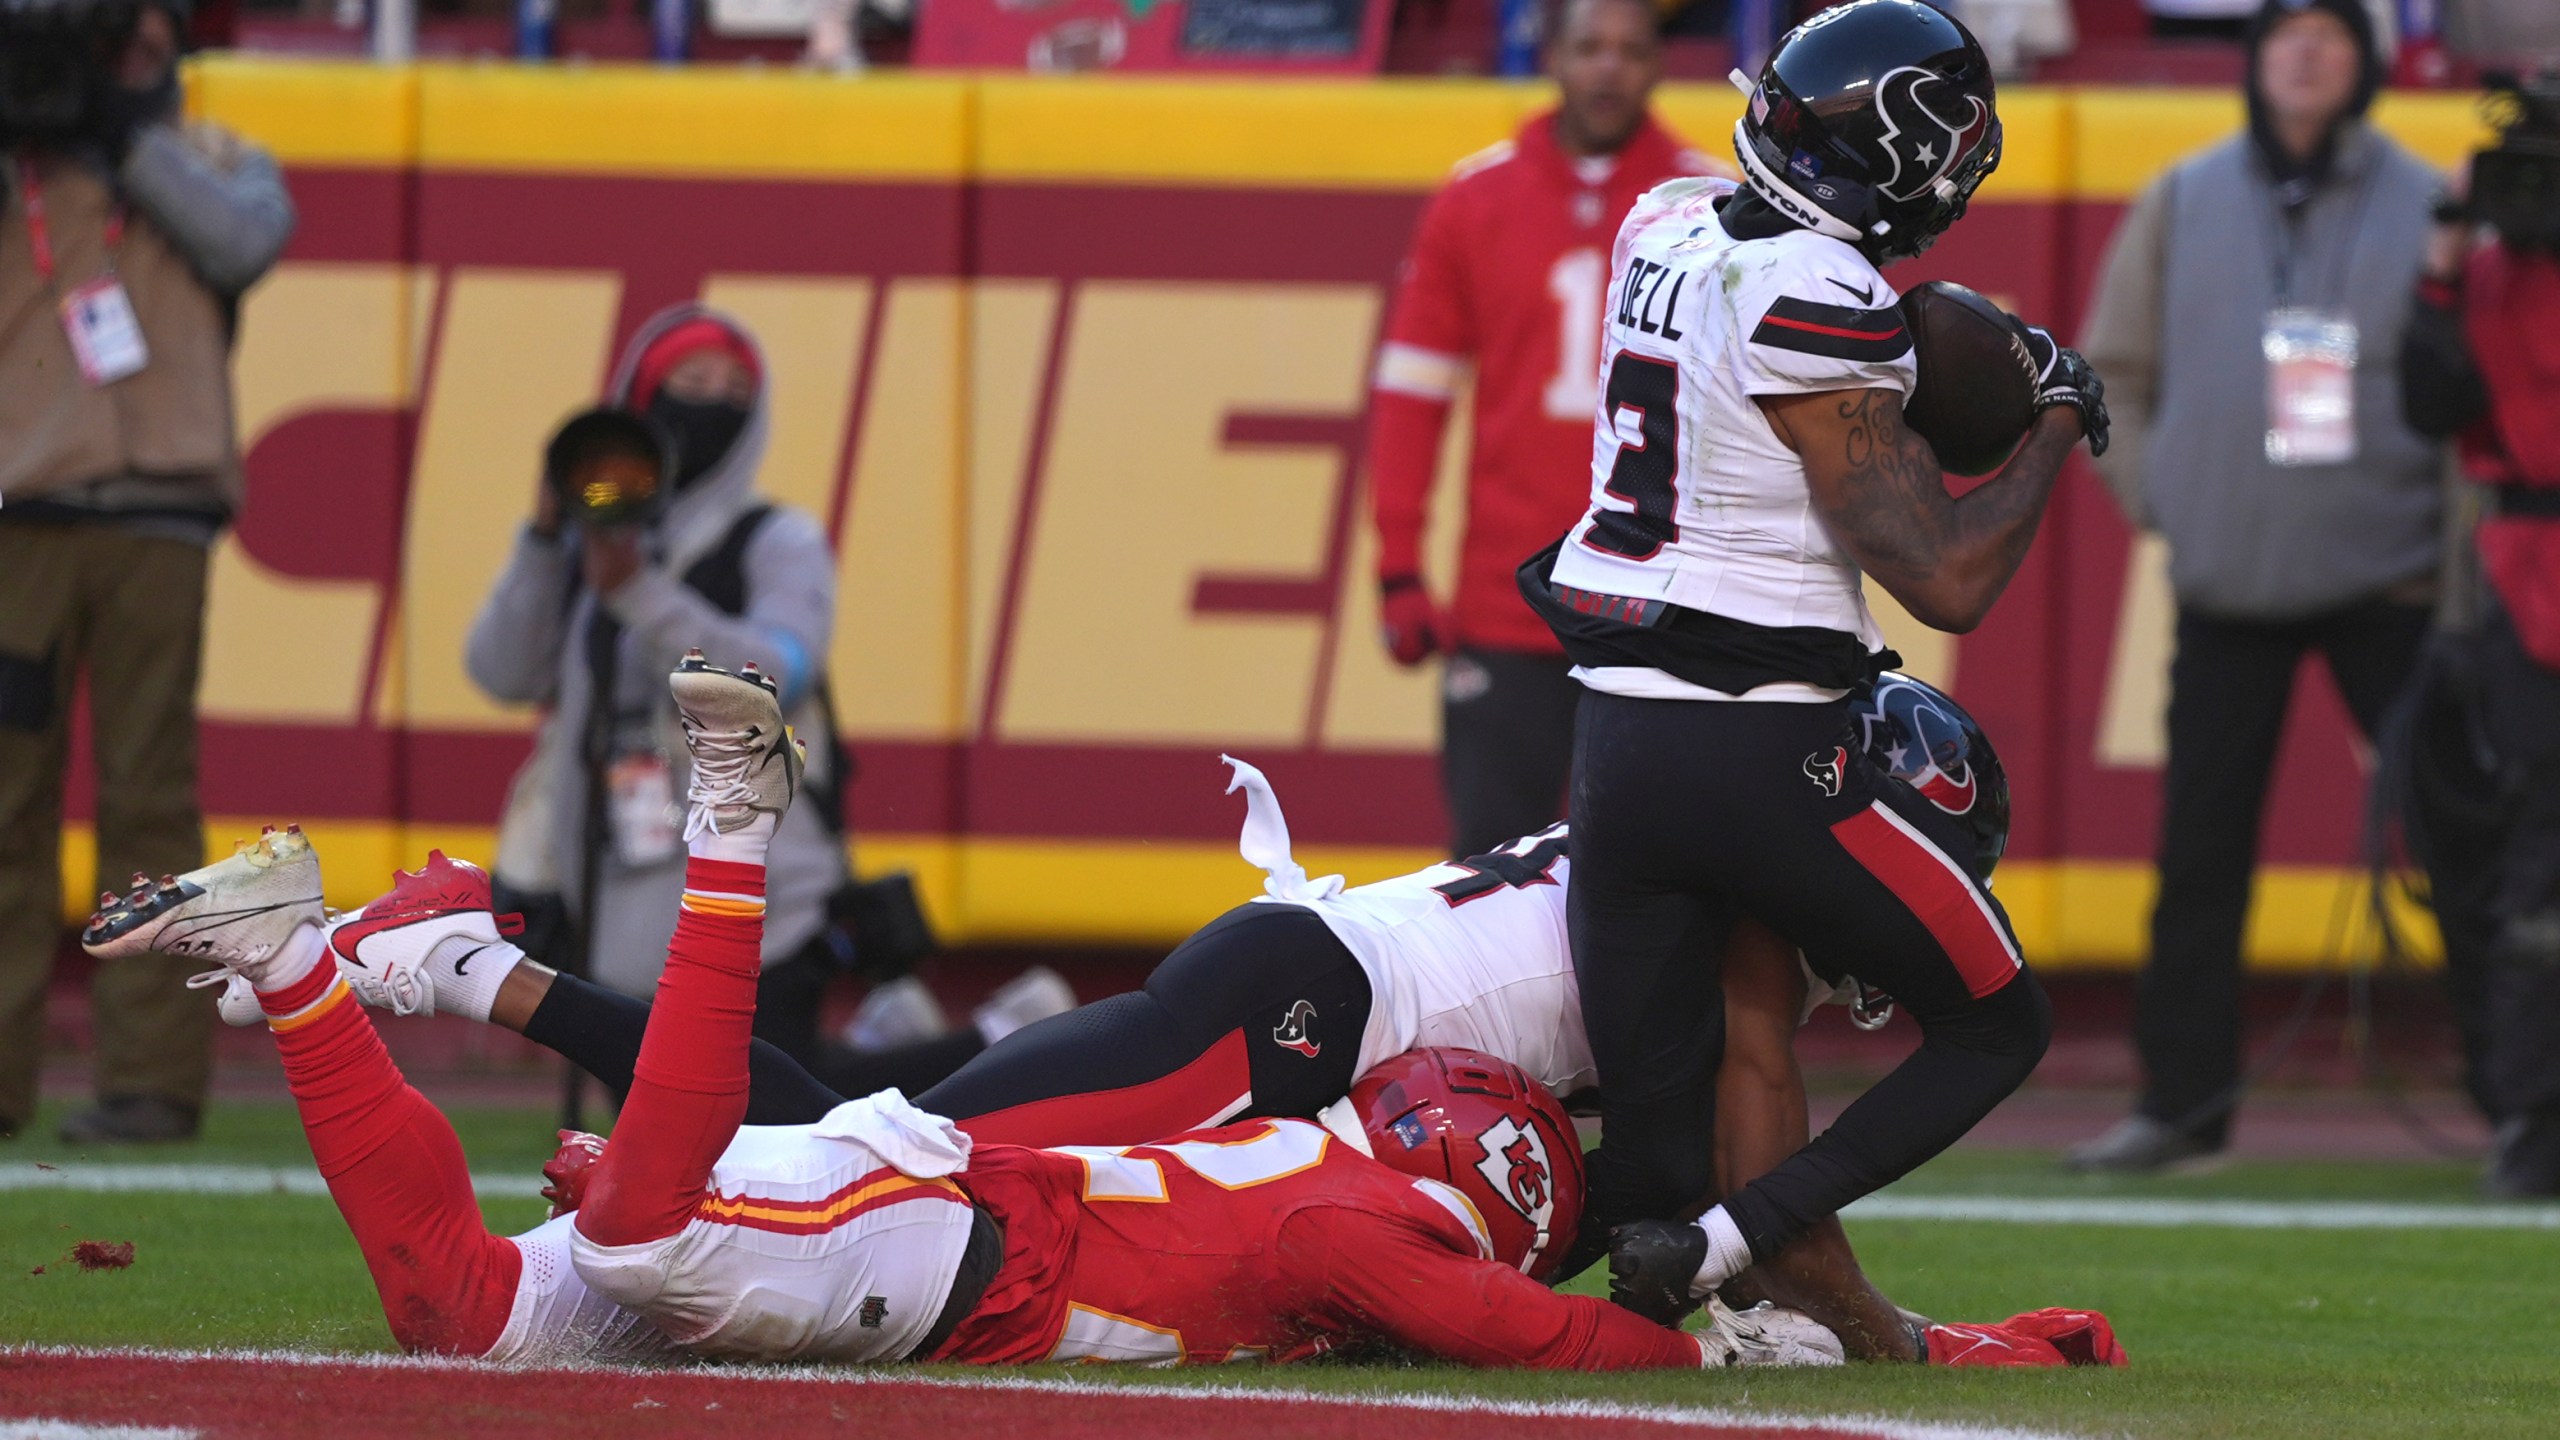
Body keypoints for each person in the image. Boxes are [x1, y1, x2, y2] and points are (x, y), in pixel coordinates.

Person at [251, 672, 2119, 1368]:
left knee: (888, 1138)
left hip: (1316, 1002)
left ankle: (479, 971)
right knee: (902, 1137)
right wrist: (1889, 1336)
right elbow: (1756, 1158)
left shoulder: (1707, 830)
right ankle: (478, 965)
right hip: (1305, 1014)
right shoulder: (1748, 914)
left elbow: (1720, 1178)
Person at [1507, 0, 2107, 1324]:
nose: (1961, 162)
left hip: (1612, 745)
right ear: (1886, 148)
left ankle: (1371, 1276)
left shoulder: (1658, 222)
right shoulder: (1821, 297)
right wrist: (2057, 417)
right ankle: (1738, 1247)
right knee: (1999, 1022)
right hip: (1761, 750)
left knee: (1654, 1162)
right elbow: (1943, 573)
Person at [2068, 0, 2448, 1175]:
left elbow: (2470, 392)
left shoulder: (2432, 198)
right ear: (2253, 56)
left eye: (2333, 33)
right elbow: (2109, 374)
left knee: (2468, 844)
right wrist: (2166, 498)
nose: (2306, 52)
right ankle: (2179, 1110)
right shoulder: (2183, 197)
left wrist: (2455, 555)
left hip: (2393, 579)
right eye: (2286, 30)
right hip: (2231, 573)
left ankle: (2524, 1105)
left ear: (2365, 65)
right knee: (2200, 852)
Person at [0, 0, 295, 1143]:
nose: (114, 55)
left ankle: (150, 1086)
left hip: (158, 521)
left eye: (131, 32)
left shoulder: (208, 154)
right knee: (6, 807)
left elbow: (244, 238)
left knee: (149, 805)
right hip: (23, 514)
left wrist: (124, 134)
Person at [1366, 0, 1725, 858]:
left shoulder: (1709, 205)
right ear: (1551, 54)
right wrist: (1398, 563)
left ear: (1659, 64)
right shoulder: (1476, 196)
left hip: (1659, 602)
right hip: (1510, 597)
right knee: (1492, 874)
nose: (1609, 69)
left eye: (1631, 50)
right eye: (1589, 47)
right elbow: (1412, 394)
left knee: (1663, 874)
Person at [464, 307, 862, 1045]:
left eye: (737, 389)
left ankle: (985, 1044)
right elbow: (502, 670)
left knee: (773, 1130)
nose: (712, 403)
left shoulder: (777, 540)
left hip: (757, 898)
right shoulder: (602, 534)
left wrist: (640, 593)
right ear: (642, 394)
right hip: (618, 893)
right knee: (654, 1146)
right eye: (691, 380)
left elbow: (773, 679)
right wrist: (546, 542)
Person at [2397, 82, 2560, 1197]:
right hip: (2524, 578)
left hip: (2520, 575)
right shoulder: (2486, 274)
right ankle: (2533, 1112)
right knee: (2536, 856)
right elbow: (2430, 397)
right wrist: (2444, 255)